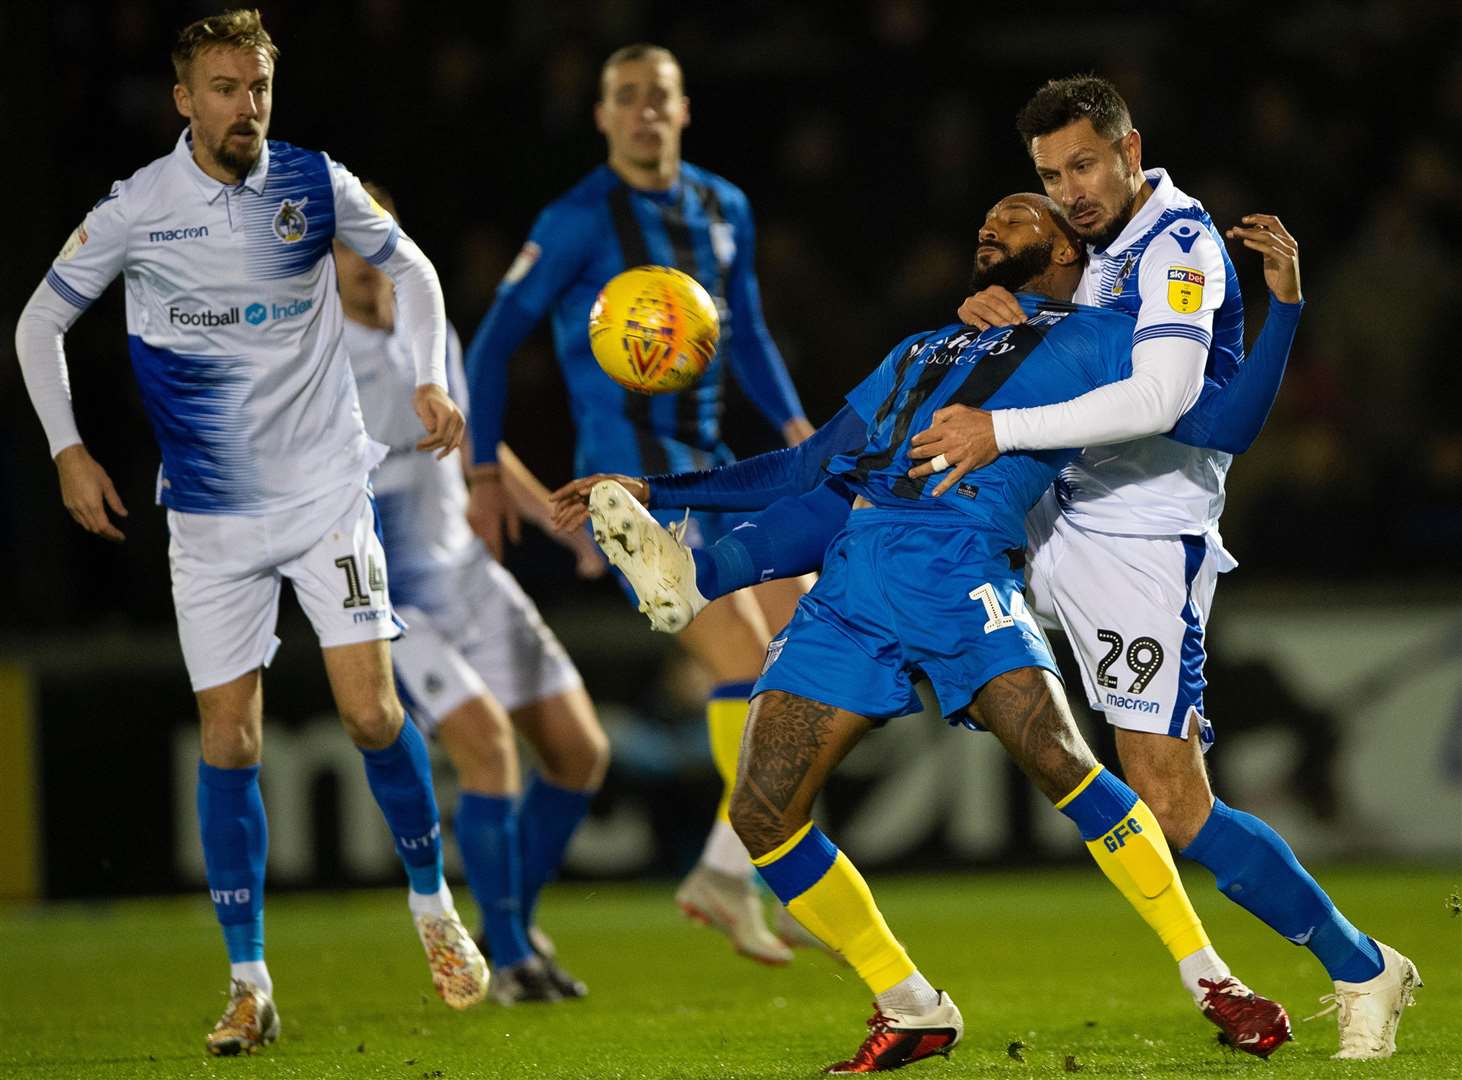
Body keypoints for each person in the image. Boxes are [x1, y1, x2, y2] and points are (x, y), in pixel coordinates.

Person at [572, 194, 1292, 1072]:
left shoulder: (1101, 340)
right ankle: (910, 1005)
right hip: (853, 579)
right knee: (762, 814)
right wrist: (659, 492)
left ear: (1066, 246)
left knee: (1064, 764)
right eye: (986, 220)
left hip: (961, 568)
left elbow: (1223, 423)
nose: (991, 226)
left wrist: (1282, 307)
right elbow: (812, 471)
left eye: (1019, 216)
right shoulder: (921, 347)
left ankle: (1213, 979)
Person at [918, 76, 1419, 1062]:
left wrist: (999, 422)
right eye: (1051, 176)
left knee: (1170, 797)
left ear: (1129, 147)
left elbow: (1169, 403)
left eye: (1085, 164)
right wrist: (1012, 321)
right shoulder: (1100, 251)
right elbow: (1092, 363)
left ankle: (1362, 966)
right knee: (900, 608)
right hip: (1059, 517)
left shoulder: (1179, 244)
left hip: (1139, 542)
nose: (1071, 190)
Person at [13, 10, 485, 1055]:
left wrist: (428, 377)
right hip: (213, 518)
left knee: (370, 714)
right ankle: (250, 984)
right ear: (186, 99)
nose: (246, 106)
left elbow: (410, 271)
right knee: (230, 740)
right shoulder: (138, 208)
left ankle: (432, 905)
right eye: (223, 87)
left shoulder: (314, 183)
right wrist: (67, 450)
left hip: (326, 493)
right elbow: (39, 322)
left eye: (258, 85)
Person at [464, 43, 815, 963]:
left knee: (815, 653)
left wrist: (792, 427)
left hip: (717, 471)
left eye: (658, 97)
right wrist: (484, 472)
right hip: (626, 494)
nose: (644, 113)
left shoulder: (721, 206)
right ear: (603, 117)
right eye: (626, 99)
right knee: (745, 663)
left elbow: (751, 335)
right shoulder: (579, 219)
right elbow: (492, 346)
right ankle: (751, 866)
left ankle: (737, 869)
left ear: (683, 109)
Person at [334, 184, 611, 1005]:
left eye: (375, 237)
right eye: (346, 242)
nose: (361, 257)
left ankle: (508, 928)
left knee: (578, 753)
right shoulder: (317, 351)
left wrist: (563, 523)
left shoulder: (431, 331)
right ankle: (515, 962)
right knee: (488, 749)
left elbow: (474, 452)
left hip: (470, 575)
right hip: (394, 598)